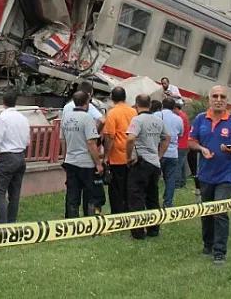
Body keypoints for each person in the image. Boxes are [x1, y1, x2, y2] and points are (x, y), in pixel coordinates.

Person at [188, 85, 231, 266]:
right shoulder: (200, 119)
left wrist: (230, 150)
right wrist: (201, 149)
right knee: (207, 212)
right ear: (209, 99)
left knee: (220, 212)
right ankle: (208, 244)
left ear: (227, 100)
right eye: (215, 96)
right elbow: (191, 142)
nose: (219, 99)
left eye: (222, 96)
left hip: (226, 175)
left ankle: (220, 252)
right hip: (205, 174)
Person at [125, 94, 170, 239]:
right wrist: (159, 155)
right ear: (150, 105)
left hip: (141, 161)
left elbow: (130, 138)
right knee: (152, 197)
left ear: (136, 105)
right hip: (154, 163)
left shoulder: (137, 120)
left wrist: (128, 156)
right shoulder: (158, 120)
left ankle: (138, 232)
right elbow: (166, 137)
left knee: (136, 196)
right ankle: (154, 229)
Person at [62, 82, 106, 215]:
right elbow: (91, 143)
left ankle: (71, 222)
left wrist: (65, 158)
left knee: (72, 195)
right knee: (91, 194)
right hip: (86, 163)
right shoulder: (87, 119)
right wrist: (98, 163)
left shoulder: (66, 118)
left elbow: (62, 141)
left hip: (70, 161)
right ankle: (89, 221)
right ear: (87, 101)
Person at [0, 90, 31, 223]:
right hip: (20, 156)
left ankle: (2, 223)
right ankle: (11, 221)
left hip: (7, 157)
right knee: (15, 193)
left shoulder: (2, 118)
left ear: (3, 102)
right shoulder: (24, 118)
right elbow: (27, 141)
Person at [102, 86, 136, 215]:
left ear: (111, 98)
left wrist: (106, 156)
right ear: (125, 97)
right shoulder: (133, 112)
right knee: (129, 187)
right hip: (131, 155)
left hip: (117, 156)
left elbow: (110, 136)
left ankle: (117, 214)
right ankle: (128, 211)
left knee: (116, 189)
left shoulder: (112, 113)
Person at [154, 97, 184, 208]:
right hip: (173, 153)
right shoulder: (179, 119)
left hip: (159, 151)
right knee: (170, 179)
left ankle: (153, 201)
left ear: (162, 105)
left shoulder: (157, 115)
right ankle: (168, 203)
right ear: (174, 107)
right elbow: (181, 133)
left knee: (155, 179)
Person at [174, 102, 190, 189]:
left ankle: (177, 183)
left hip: (181, 144)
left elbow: (180, 131)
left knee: (178, 165)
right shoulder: (184, 116)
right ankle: (183, 181)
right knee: (183, 164)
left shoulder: (181, 117)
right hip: (185, 144)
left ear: (176, 108)